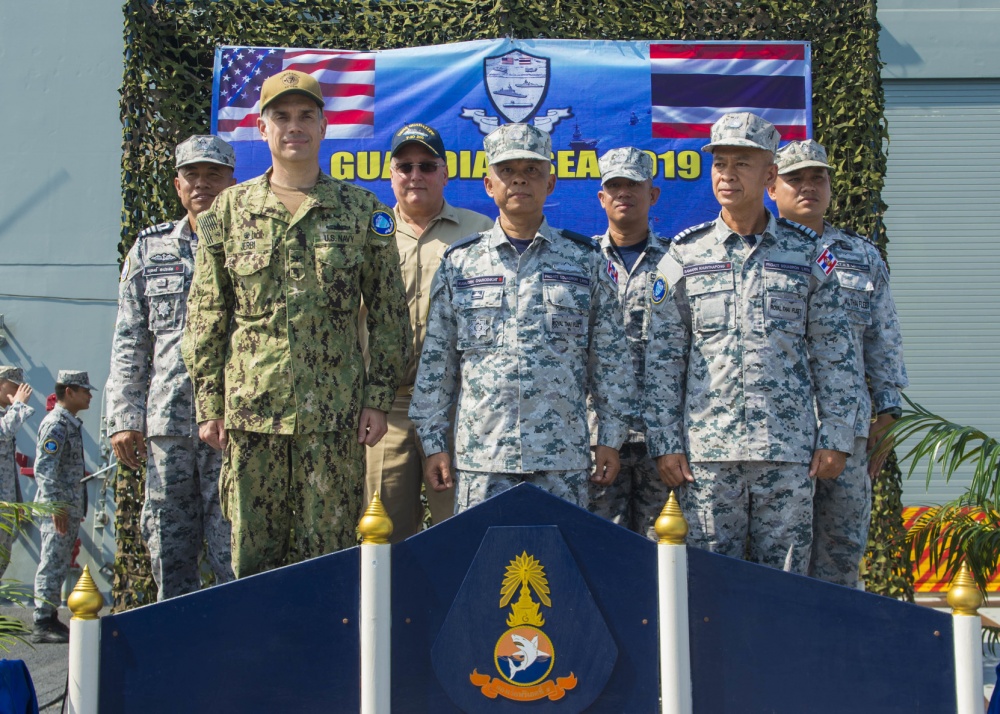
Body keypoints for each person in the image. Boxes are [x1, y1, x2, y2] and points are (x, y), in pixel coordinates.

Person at [182, 70, 410, 578]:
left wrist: (377, 397)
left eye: (306, 115)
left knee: (330, 559)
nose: (294, 127)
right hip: (250, 416)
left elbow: (390, 313)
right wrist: (208, 404)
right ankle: (254, 656)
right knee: (250, 561)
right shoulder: (229, 210)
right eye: (281, 116)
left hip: (333, 421)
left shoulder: (361, 211)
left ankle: (329, 656)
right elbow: (206, 313)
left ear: (325, 126)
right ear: (262, 128)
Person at [643, 112, 858, 573]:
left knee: (783, 583)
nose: (727, 174)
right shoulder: (684, 254)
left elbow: (834, 351)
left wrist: (837, 433)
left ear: (770, 175)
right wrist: (665, 441)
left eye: (742, 163)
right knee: (705, 583)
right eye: (720, 163)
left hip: (787, 450)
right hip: (706, 456)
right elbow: (662, 357)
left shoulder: (806, 255)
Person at [410, 123, 637, 512]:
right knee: (484, 567)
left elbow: (610, 359)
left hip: (561, 458)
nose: (519, 180)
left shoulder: (584, 260)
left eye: (532, 170)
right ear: (488, 184)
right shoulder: (461, 262)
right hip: (483, 457)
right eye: (507, 171)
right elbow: (438, 362)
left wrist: (611, 437)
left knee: (560, 567)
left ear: (550, 183)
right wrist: (433, 443)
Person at [768, 139, 908, 586]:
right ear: (772, 186)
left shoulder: (861, 256)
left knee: (842, 547)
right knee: (779, 554)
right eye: (796, 179)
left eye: (818, 177)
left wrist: (887, 409)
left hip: (846, 425)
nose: (808, 186)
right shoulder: (757, 250)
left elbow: (882, 336)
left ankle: (834, 649)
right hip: (777, 427)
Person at [107, 135, 236, 600]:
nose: (202, 184)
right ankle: (176, 647)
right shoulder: (150, 248)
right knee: (168, 544)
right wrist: (124, 417)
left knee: (233, 549)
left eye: (213, 174)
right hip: (168, 426)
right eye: (193, 175)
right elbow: (130, 339)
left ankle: (237, 652)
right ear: (178, 185)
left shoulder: (252, 245)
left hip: (231, 425)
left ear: (231, 181)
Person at [362, 123, 493, 542]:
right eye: (405, 166)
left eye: (426, 165)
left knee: (461, 532)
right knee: (381, 537)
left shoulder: (481, 232)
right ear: (391, 174)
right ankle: (388, 610)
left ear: (445, 172)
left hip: (457, 408)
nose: (415, 175)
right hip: (387, 409)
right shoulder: (368, 232)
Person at [587, 148, 672, 538]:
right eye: (614, 186)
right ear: (601, 197)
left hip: (662, 436)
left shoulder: (677, 260)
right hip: (599, 434)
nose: (624, 193)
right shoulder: (580, 259)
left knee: (664, 553)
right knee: (602, 547)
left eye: (633, 185)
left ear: (652, 194)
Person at [31, 370, 93, 643]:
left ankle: (49, 615)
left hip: (66, 507)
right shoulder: (57, 423)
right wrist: (57, 506)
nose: (89, 395)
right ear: (69, 391)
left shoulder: (69, 423)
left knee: (58, 561)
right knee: (52, 561)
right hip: (57, 509)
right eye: (84, 390)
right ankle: (42, 621)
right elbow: (44, 468)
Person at [0, 366, 33, 578]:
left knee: (3, 557)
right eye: (14, 385)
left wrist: (18, 502)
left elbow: (9, 466)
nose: (19, 390)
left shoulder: (6, 414)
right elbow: (3, 432)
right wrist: (18, 405)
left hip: (6, 502)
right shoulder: (8, 417)